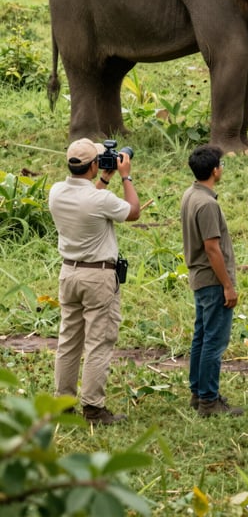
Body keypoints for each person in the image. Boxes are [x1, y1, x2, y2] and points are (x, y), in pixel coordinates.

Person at [48, 138, 141, 425]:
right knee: (99, 342)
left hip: (69, 273)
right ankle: (93, 408)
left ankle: (63, 403)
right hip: (98, 276)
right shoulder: (100, 200)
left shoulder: (56, 192)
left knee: (68, 341)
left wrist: (102, 179)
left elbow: (87, 201)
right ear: (92, 166)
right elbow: (133, 211)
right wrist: (125, 176)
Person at [180, 145, 243, 417]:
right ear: (215, 170)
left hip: (199, 277)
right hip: (212, 279)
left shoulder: (190, 194)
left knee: (202, 337)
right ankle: (208, 399)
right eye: (221, 165)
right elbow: (212, 248)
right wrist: (228, 285)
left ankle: (198, 392)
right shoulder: (207, 204)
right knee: (214, 342)